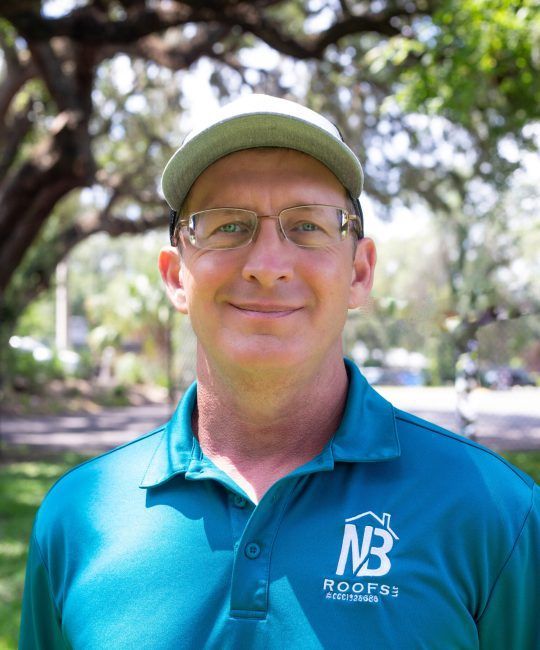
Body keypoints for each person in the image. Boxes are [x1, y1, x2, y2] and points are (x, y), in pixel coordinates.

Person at [20, 94, 539, 649]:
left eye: (308, 226)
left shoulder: (494, 513)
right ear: (176, 277)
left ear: (359, 272)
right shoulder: (77, 520)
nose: (267, 266)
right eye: (226, 226)